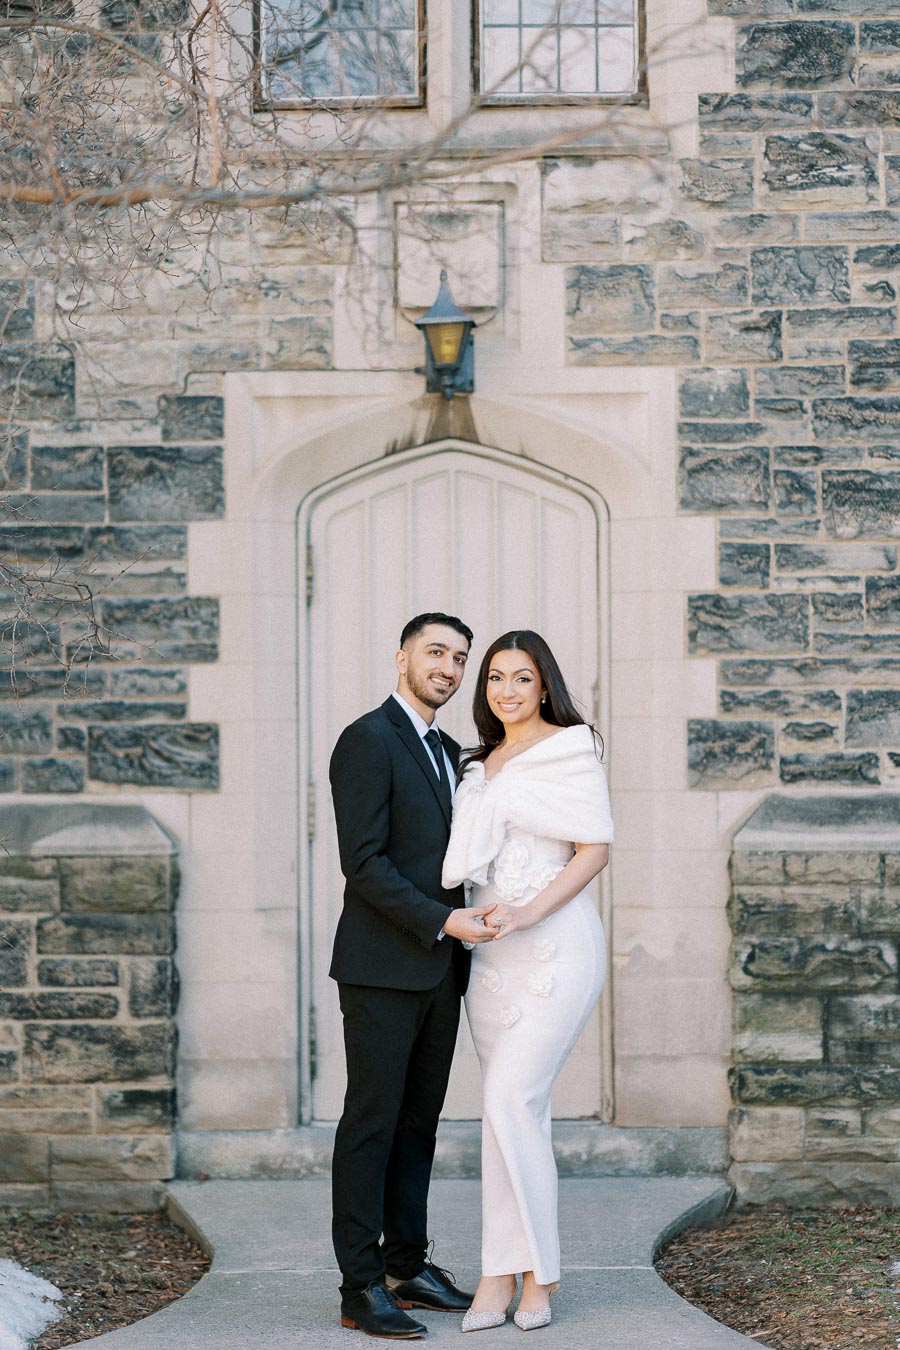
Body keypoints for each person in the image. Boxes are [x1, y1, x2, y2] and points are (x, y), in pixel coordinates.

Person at [329, 612, 498, 1340]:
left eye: (460, 659)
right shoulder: (367, 739)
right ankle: (360, 1285)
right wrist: (444, 919)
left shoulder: (450, 750)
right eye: (437, 653)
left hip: (440, 969)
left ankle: (408, 1265)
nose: (450, 669)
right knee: (372, 1123)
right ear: (401, 656)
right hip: (382, 966)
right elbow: (363, 864)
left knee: (419, 1125)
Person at [441, 629, 613, 1333]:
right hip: (490, 958)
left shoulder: (572, 750)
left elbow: (594, 849)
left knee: (513, 1098)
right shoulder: (475, 766)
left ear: (545, 685)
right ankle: (496, 1276)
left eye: (522, 678)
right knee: (506, 1112)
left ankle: (536, 1278)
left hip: (554, 946)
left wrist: (528, 912)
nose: (507, 691)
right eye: (495, 679)